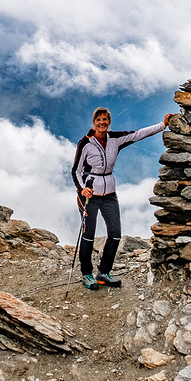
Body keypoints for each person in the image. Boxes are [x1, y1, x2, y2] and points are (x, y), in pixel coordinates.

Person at [70, 107, 172, 290]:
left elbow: (138, 134)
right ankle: (86, 274)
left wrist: (162, 125)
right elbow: (76, 170)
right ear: (93, 122)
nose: (102, 123)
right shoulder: (85, 143)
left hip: (109, 193)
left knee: (115, 234)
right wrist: (82, 189)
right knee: (88, 236)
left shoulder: (115, 139)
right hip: (89, 195)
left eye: (105, 120)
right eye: (99, 120)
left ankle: (103, 273)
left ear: (109, 122)